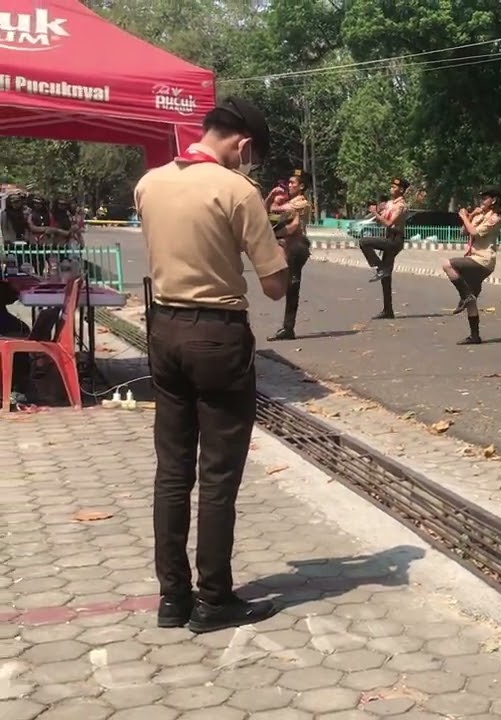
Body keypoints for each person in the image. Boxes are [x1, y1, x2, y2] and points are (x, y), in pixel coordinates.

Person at [134, 96, 287, 632]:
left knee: (172, 471)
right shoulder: (237, 190)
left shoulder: (149, 183)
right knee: (218, 474)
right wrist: (281, 238)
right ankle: (214, 600)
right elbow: (274, 286)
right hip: (218, 337)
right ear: (243, 145)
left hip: (163, 329)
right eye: (252, 156)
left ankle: (172, 598)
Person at [445, 188, 501, 344]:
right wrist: (470, 216)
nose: (481, 202)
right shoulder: (480, 216)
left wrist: (464, 216)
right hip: (474, 258)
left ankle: (465, 296)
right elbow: (464, 231)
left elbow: (475, 234)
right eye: (481, 198)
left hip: (483, 260)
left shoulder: (496, 217)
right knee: (472, 302)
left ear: (494, 200)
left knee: (447, 265)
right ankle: (475, 335)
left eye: (485, 198)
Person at [267, 169, 312, 341]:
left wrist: (272, 234)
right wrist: (271, 196)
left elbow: (291, 226)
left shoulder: (302, 203)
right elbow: (268, 213)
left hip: (297, 247)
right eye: (290, 182)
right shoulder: (290, 201)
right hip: (288, 246)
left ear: (301, 186)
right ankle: (288, 328)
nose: (290, 185)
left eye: (293, 183)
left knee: (292, 286)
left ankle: (288, 328)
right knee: (291, 286)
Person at [360, 177, 408, 319]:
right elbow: (379, 219)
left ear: (401, 190)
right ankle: (388, 310)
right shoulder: (389, 203)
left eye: (394, 187)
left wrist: (376, 213)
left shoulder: (401, 205)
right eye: (391, 186)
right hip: (389, 237)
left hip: (395, 239)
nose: (391, 188)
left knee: (364, 242)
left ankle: (379, 267)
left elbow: (388, 223)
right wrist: (375, 211)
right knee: (386, 277)